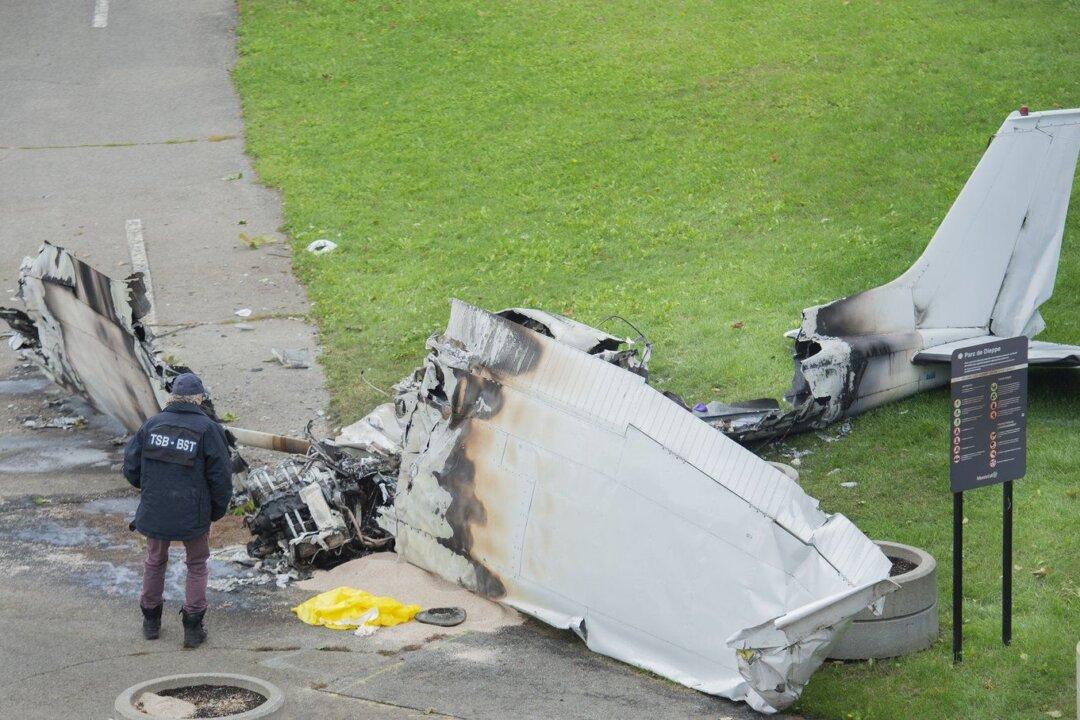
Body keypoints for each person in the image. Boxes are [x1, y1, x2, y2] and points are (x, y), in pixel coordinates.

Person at [122, 372, 232, 648]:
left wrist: (150, 491)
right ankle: (193, 629)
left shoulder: (152, 425)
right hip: (192, 513)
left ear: (171, 397)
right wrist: (215, 511)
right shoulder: (208, 430)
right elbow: (221, 478)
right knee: (196, 565)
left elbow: (131, 468)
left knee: (155, 561)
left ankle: (150, 622)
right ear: (199, 398)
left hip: (155, 508)